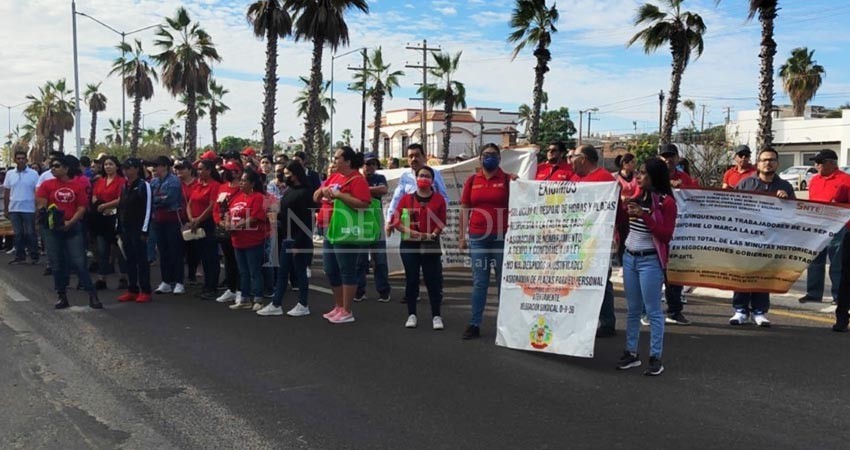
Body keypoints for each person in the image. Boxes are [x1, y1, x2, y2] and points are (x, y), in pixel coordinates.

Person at [617, 157, 677, 376]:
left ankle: (655, 357)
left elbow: (666, 235)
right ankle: (631, 352)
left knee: (653, 311)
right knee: (633, 309)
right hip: (630, 258)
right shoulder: (636, 197)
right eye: (638, 172)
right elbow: (623, 221)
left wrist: (645, 216)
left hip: (650, 261)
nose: (638, 176)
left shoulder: (666, 203)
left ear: (654, 176)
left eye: (643, 173)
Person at [729, 147, 796, 327]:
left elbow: (794, 213)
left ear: (777, 163)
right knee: (743, 273)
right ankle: (740, 310)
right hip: (747, 238)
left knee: (764, 275)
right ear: (758, 164)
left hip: (771, 239)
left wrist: (786, 201)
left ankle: (759, 311)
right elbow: (733, 208)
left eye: (772, 160)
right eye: (764, 160)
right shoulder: (746, 184)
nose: (768, 163)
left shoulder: (785, 186)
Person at [459, 143, 514, 339]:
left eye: (493, 154)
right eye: (486, 154)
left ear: (499, 158)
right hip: (478, 238)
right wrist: (462, 236)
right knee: (480, 282)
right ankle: (474, 324)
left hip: (502, 238)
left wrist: (519, 183)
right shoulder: (472, 180)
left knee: (502, 282)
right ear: (480, 158)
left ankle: (505, 325)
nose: (489, 157)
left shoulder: (508, 180)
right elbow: (465, 209)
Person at [36, 155, 103, 309]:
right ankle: (62, 296)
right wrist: (50, 217)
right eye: (52, 166)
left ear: (66, 169)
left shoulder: (77, 186)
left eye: (57, 166)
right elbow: (42, 204)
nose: (53, 169)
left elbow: (82, 207)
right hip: (52, 229)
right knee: (57, 263)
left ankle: (92, 295)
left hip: (73, 228)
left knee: (79, 262)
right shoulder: (46, 185)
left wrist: (71, 222)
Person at [314, 146, 372, 324]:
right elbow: (315, 196)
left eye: (337, 158)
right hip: (329, 228)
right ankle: (339, 306)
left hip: (346, 229)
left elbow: (364, 204)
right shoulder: (334, 177)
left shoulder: (358, 180)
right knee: (330, 269)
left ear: (347, 161)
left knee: (346, 269)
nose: (334, 160)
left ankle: (347, 310)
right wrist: (323, 191)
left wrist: (340, 196)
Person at [389, 165, 447, 330]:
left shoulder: (438, 199)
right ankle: (412, 314)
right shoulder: (406, 199)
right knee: (412, 279)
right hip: (409, 244)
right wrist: (412, 232)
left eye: (427, 176)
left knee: (432, 280)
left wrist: (432, 235)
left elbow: (442, 221)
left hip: (430, 243)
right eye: (421, 175)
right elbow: (396, 221)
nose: (423, 178)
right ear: (416, 179)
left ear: (432, 181)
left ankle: (436, 315)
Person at [570, 144, 619, 337]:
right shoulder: (574, 179)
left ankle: (607, 322)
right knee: (579, 281)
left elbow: (614, 212)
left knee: (601, 281)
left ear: (583, 159)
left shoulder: (605, 179)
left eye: (573, 156)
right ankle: (583, 321)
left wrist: (614, 236)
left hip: (599, 240)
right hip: (578, 239)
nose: (570, 160)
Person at [257, 161, 314, 317]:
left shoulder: (304, 193)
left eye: (288, 174)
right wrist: (275, 216)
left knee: (300, 272)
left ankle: (303, 304)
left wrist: (299, 243)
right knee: (283, 272)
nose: (285, 176)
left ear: (295, 175)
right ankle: (276, 304)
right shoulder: (290, 191)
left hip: (298, 239)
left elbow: (307, 221)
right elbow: (286, 213)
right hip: (287, 238)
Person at [800, 149, 850, 306]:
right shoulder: (814, 180)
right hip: (817, 226)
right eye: (816, 162)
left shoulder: (846, 180)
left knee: (837, 263)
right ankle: (814, 293)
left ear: (831, 163)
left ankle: (838, 296)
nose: (816, 165)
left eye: (819, 162)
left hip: (839, 227)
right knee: (814, 260)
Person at [658, 143, 697, 325]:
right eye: (664, 156)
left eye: (671, 156)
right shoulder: (653, 177)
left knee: (675, 276)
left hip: (679, 234)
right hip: (657, 233)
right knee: (654, 275)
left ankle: (674, 311)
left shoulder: (685, 178)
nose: (668, 160)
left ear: (677, 158)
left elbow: (695, 200)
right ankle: (647, 312)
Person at [226, 168, 269, 311]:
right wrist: (227, 223)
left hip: (253, 240)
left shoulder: (258, 197)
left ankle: (258, 298)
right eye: (241, 180)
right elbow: (229, 213)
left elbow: (255, 217)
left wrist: (237, 226)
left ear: (252, 183)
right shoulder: (237, 197)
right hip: (237, 240)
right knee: (243, 271)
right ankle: (244, 298)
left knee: (254, 271)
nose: (241, 183)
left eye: (244, 181)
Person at [386, 143, 449, 235]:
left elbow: (444, 198)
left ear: (424, 157)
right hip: (409, 228)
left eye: (417, 156)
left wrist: (437, 218)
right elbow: (396, 199)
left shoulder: (435, 174)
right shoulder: (405, 176)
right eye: (410, 157)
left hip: (430, 226)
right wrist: (389, 220)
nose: (413, 159)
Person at [354, 153, 391, 303]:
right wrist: (370, 190)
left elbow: (383, 189)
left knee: (380, 260)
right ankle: (359, 291)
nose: (370, 167)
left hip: (376, 222)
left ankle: (383, 291)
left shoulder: (380, 178)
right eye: (367, 164)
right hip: (360, 222)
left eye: (373, 164)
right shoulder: (356, 178)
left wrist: (363, 190)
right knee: (360, 260)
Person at [116, 158, 153, 303]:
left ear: (137, 169)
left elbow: (148, 208)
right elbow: (121, 207)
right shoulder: (124, 186)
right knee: (129, 259)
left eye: (128, 167)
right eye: (124, 168)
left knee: (141, 260)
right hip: (126, 228)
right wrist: (118, 226)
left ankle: (145, 290)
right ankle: (132, 289)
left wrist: (145, 230)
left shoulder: (144, 185)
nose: (125, 171)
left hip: (139, 228)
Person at [150, 156, 186, 295]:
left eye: (157, 165)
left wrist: (158, 199)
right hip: (158, 219)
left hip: (172, 219)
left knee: (175, 251)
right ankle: (166, 281)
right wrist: (159, 199)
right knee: (163, 251)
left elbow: (169, 199)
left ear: (165, 166)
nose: (154, 168)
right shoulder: (154, 181)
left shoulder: (174, 181)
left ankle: (179, 281)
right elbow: (153, 198)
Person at [90, 156, 127, 290]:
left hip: (116, 218)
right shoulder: (100, 181)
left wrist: (106, 206)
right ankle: (102, 278)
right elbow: (94, 195)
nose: (108, 167)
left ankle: (123, 277)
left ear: (116, 166)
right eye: (106, 164)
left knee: (119, 250)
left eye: (111, 164)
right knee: (102, 250)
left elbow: (121, 198)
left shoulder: (122, 181)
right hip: (102, 219)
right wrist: (99, 205)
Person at [188, 160, 222, 300]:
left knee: (210, 256)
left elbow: (212, 206)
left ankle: (212, 286)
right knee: (202, 255)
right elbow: (189, 203)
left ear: (209, 170)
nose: (199, 171)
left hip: (208, 224)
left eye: (201, 169)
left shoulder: (215, 185)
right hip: (196, 223)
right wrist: (191, 219)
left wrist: (198, 219)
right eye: (198, 169)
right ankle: (206, 285)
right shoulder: (198, 185)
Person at [214, 161, 244, 303]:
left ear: (238, 173)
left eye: (229, 170)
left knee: (239, 261)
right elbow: (216, 208)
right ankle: (231, 289)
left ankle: (240, 290)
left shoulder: (243, 189)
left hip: (239, 230)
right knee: (228, 260)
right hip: (224, 229)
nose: (225, 173)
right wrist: (219, 221)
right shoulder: (222, 187)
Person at [4, 150, 39, 264]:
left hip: (29, 208)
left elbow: (37, 191)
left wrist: (37, 208)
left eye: (23, 158)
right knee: (18, 234)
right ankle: (20, 256)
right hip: (14, 208)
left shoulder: (33, 174)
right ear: (15, 160)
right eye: (18, 158)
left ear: (26, 160)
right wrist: (6, 209)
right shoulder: (10, 174)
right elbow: (7, 192)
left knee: (30, 233)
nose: (21, 160)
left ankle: (34, 256)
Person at [175, 159, 200, 285]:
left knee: (193, 250)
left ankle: (192, 274)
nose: (179, 171)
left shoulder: (198, 184)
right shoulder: (175, 184)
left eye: (182, 169)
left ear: (190, 170)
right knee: (179, 250)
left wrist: (193, 220)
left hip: (194, 220)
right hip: (178, 220)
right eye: (177, 169)